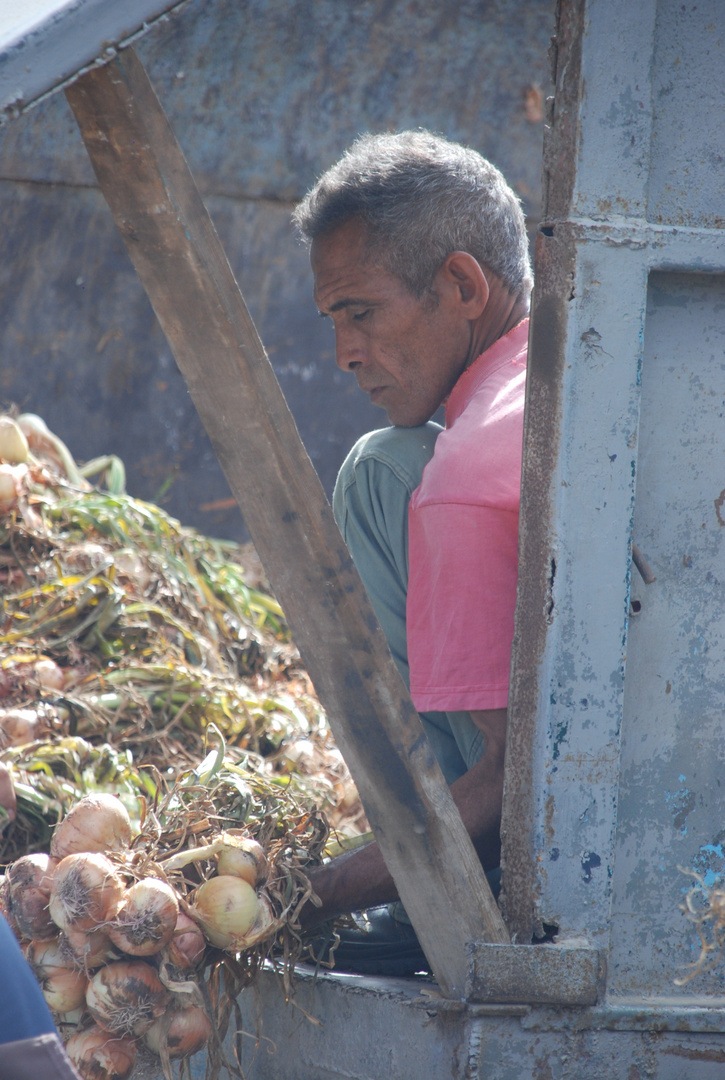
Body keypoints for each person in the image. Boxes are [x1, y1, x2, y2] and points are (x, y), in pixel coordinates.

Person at [291, 131, 532, 975]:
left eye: (361, 311)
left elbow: (518, 792)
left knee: (377, 470)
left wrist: (307, 897)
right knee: (392, 457)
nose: (344, 353)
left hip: (545, 841)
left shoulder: (459, 478)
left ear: (463, 285)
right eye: (333, 321)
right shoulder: (567, 364)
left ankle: (443, 892)